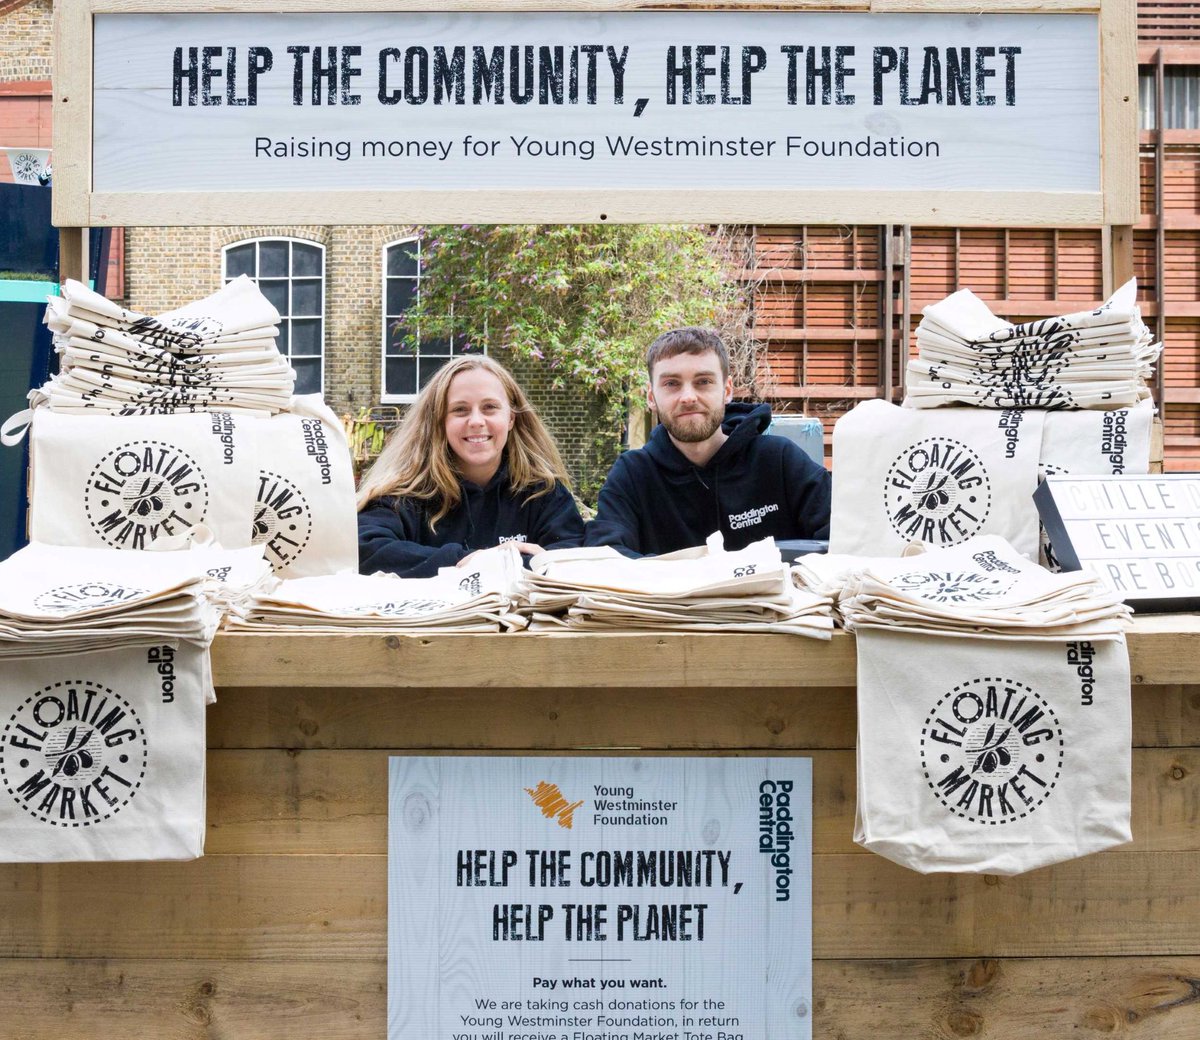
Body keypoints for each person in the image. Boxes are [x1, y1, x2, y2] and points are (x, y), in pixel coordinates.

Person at [585, 327, 831, 557]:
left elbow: (842, 542)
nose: (688, 397)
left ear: (727, 390)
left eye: (703, 381)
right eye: (671, 384)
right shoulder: (632, 475)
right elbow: (607, 558)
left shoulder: (779, 461)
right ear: (651, 396)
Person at [358, 355, 584, 577]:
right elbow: (364, 550)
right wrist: (469, 562)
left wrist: (496, 564)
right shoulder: (404, 494)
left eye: (490, 407)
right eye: (460, 410)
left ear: (511, 419)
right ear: (440, 421)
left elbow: (573, 561)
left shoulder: (544, 494)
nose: (476, 421)